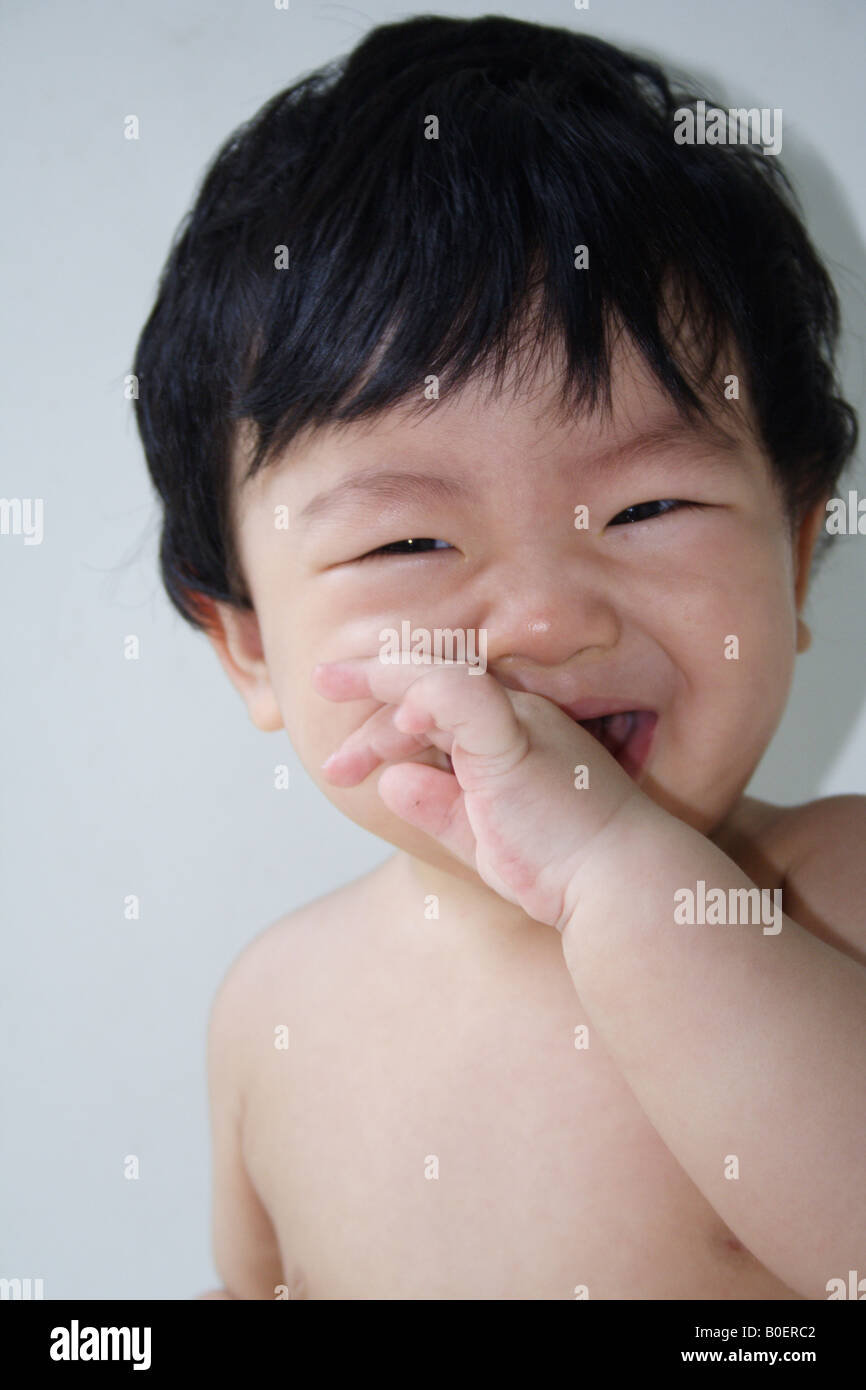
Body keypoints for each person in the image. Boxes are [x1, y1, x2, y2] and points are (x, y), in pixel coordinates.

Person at [132, 14, 865, 1299]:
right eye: (411, 537)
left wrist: (613, 875)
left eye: (647, 510)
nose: (543, 620)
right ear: (249, 646)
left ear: (797, 550)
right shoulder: (273, 1012)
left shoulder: (833, 905)